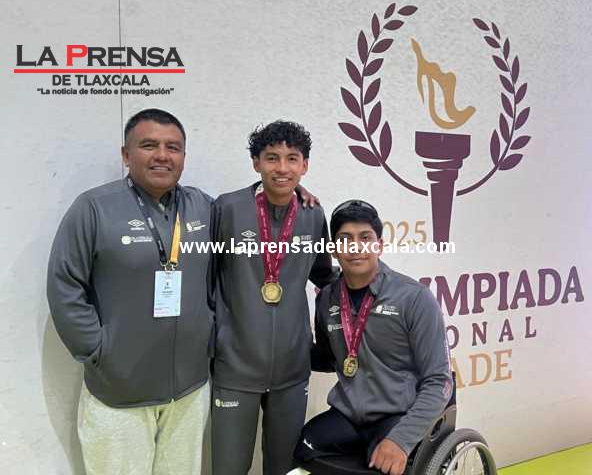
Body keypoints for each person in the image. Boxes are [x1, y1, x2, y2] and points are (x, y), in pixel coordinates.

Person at [46, 108, 215, 475]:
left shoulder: (202, 207)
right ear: (126, 155)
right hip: (119, 392)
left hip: (189, 390)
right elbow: (65, 285)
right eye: (149, 145)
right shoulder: (94, 208)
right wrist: (99, 351)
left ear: (184, 157)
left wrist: (293, 191)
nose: (162, 155)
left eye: (173, 147)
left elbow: (244, 224)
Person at [210, 120, 335, 475]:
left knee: (284, 468)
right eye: (272, 158)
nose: (282, 168)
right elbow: (205, 279)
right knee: (229, 468)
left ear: (304, 165)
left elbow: (324, 277)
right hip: (235, 367)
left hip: (292, 370)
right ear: (256, 163)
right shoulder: (227, 209)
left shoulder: (313, 214)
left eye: (292, 159)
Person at [294, 200, 453, 475]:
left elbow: (439, 381)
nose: (355, 247)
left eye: (365, 238)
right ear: (334, 249)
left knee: (382, 464)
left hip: (399, 414)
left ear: (379, 245)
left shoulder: (414, 297)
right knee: (305, 448)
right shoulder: (327, 299)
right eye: (345, 239)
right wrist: (283, 346)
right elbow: (331, 359)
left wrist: (401, 440)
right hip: (350, 416)